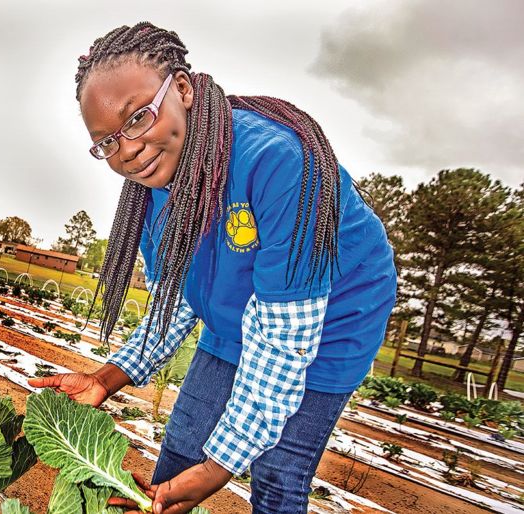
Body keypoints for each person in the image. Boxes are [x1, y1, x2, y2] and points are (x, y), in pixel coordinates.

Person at [29, 22, 397, 514]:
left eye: (138, 117)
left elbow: (283, 341)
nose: (128, 149)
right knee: (183, 441)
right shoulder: (148, 197)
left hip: (331, 322)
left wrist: (219, 468)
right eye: (107, 142)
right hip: (236, 309)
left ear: (181, 87)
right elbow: (175, 305)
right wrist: (106, 378)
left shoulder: (279, 161)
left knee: (278, 473)